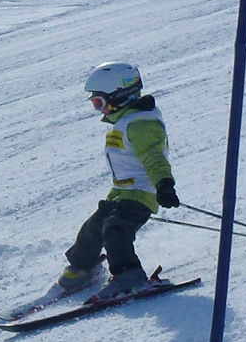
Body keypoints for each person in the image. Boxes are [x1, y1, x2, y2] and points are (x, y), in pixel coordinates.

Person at [58, 61, 180, 301]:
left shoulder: (142, 124)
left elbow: (154, 158)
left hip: (143, 193)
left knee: (115, 230)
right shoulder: (127, 121)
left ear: (120, 97)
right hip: (122, 193)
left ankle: (129, 276)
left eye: (99, 103)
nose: (99, 110)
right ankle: (82, 267)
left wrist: (164, 185)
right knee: (93, 228)